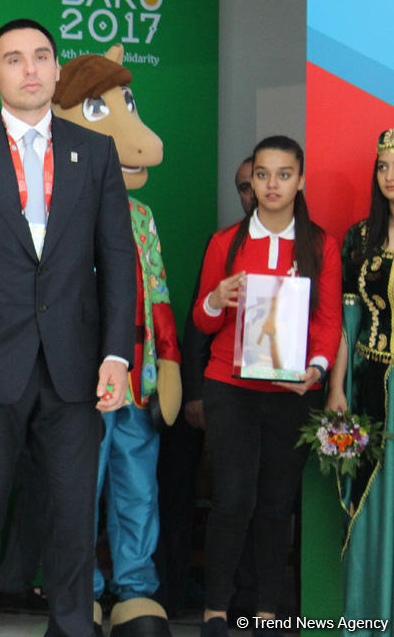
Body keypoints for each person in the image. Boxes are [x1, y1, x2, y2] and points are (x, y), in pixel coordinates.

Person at [0, 19, 136, 637]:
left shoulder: (93, 151)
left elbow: (118, 259)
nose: (30, 69)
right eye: (14, 59)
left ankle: (72, 628)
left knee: (72, 524)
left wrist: (117, 355)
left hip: (75, 368)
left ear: (55, 68)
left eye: (41, 56)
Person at [191, 136, 341, 637]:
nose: (272, 184)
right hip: (229, 387)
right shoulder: (225, 243)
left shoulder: (321, 245)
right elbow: (202, 321)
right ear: (251, 181)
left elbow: (327, 322)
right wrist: (215, 297)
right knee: (233, 498)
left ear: (300, 180)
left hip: (292, 393)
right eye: (262, 174)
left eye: (283, 174)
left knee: (278, 501)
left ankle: (268, 611)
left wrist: (316, 369)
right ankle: (215, 609)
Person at [156, 156, 255, 619]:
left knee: (259, 500)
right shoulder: (225, 243)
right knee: (175, 485)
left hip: (272, 396)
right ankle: (172, 593)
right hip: (210, 389)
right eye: (243, 186)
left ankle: (254, 600)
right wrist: (193, 392)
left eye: (259, 180)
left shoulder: (307, 246)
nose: (252, 193)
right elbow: (198, 321)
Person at [328, 127, 394, 632]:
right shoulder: (359, 238)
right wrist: (336, 389)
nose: (390, 177)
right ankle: (369, 618)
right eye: (384, 166)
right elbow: (348, 326)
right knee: (371, 503)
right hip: (371, 384)